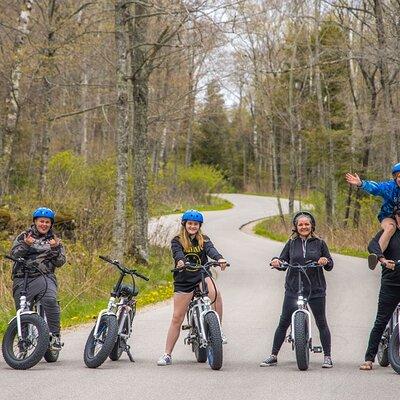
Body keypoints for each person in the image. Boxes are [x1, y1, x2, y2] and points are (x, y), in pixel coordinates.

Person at [260, 211, 334, 368]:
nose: (304, 227)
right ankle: (273, 355)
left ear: (312, 225)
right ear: (296, 227)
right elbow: (282, 260)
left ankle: (327, 356)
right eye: (300, 224)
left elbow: (330, 265)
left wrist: (324, 260)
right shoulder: (292, 243)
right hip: (293, 288)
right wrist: (276, 261)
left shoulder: (320, 243)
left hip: (316, 289)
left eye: (307, 224)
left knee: (321, 322)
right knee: (284, 321)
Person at [157, 209, 227, 366]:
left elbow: (211, 250)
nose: (193, 226)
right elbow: (177, 253)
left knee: (216, 294)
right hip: (184, 279)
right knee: (177, 317)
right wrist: (181, 261)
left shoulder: (204, 239)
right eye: (190, 223)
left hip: (201, 274)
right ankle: (167, 354)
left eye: (196, 224)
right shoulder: (177, 240)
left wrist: (219, 258)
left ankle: (218, 331)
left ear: (199, 225)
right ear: (184, 224)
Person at [11, 207, 66, 350]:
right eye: (41, 221)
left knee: (50, 300)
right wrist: (26, 244)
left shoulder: (55, 240)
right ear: (35, 222)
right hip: (22, 278)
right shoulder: (24, 236)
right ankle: (23, 341)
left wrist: (54, 248)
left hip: (45, 277)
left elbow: (60, 262)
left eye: (47, 222)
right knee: (22, 308)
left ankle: (55, 336)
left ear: (51, 224)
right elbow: (14, 255)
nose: (44, 224)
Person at [359, 210, 400, 370]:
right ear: (396, 217)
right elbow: (372, 245)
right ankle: (369, 359)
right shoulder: (389, 233)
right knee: (381, 321)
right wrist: (382, 259)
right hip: (390, 283)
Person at [345, 163, 400, 267]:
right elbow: (376, 188)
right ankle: (377, 256)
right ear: (395, 177)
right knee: (390, 228)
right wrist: (361, 183)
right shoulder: (389, 187)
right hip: (388, 216)